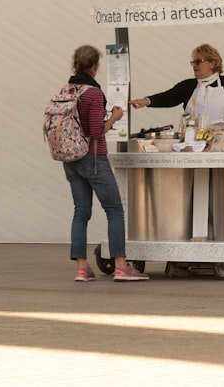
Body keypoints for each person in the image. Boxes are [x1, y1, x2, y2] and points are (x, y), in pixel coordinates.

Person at [63, 44, 149, 282]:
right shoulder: (92, 93)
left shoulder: (67, 90)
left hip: (70, 159)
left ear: (75, 64)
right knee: (114, 211)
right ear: (95, 66)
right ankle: (121, 265)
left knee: (81, 211)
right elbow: (95, 130)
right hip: (93, 157)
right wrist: (114, 117)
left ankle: (82, 267)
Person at [128, 43, 224, 123]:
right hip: (193, 141)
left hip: (222, 141)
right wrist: (146, 101)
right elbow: (169, 97)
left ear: (212, 63)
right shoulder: (188, 86)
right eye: (193, 62)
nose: (194, 65)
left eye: (198, 61)